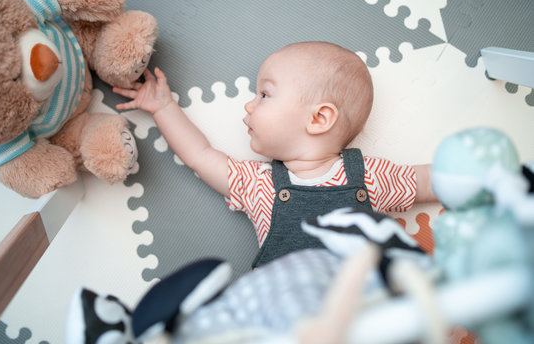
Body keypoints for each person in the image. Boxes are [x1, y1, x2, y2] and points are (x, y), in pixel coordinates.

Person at [114, 41, 437, 268]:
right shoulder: (259, 184)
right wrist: (164, 108)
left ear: (318, 119)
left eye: (265, 93)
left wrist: (482, 178)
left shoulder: (371, 176)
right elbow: (200, 155)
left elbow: (428, 181)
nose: (249, 105)